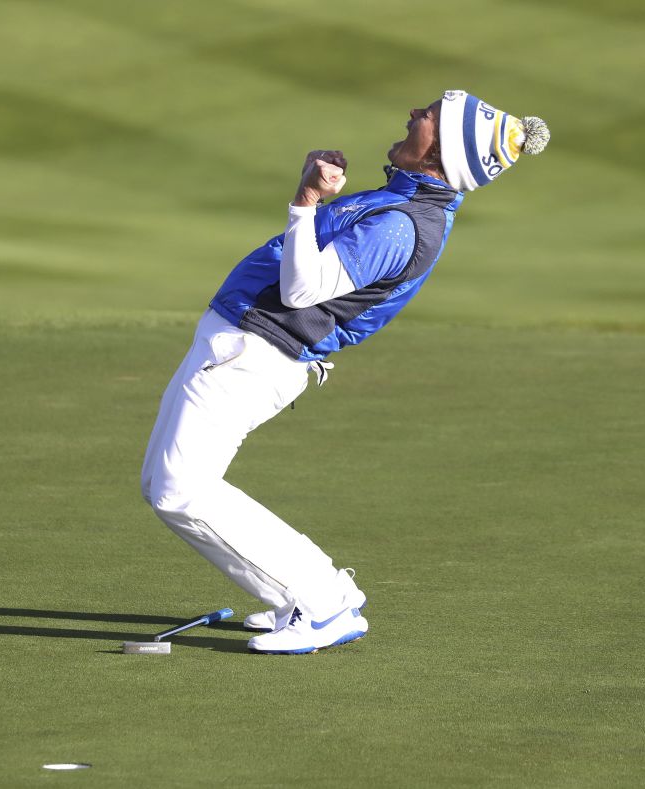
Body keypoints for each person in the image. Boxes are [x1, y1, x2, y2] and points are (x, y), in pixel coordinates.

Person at [140, 90, 550, 654]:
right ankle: (310, 596)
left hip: (256, 356)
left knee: (179, 489)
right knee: (163, 484)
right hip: (242, 347)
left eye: (428, 115)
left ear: (440, 155)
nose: (414, 113)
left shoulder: (401, 226)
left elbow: (302, 289)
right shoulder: (403, 201)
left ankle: (323, 606)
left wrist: (306, 199)